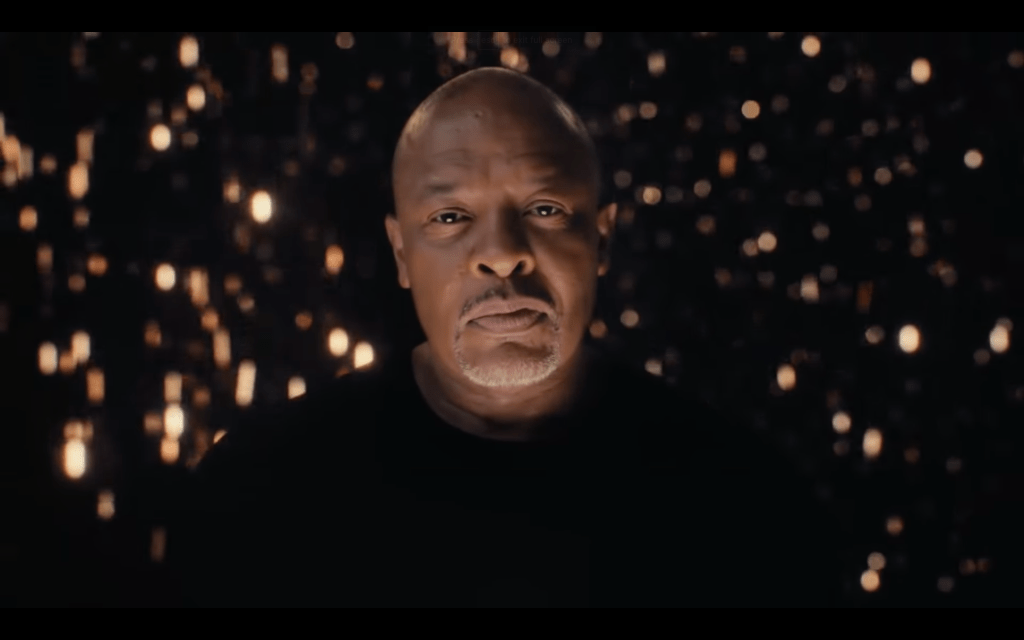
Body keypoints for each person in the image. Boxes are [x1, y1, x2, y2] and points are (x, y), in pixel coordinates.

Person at [166, 67, 846, 608]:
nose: (501, 254)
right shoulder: (259, 496)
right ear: (401, 253)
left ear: (602, 239)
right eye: (450, 216)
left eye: (544, 209)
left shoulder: (744, 507)